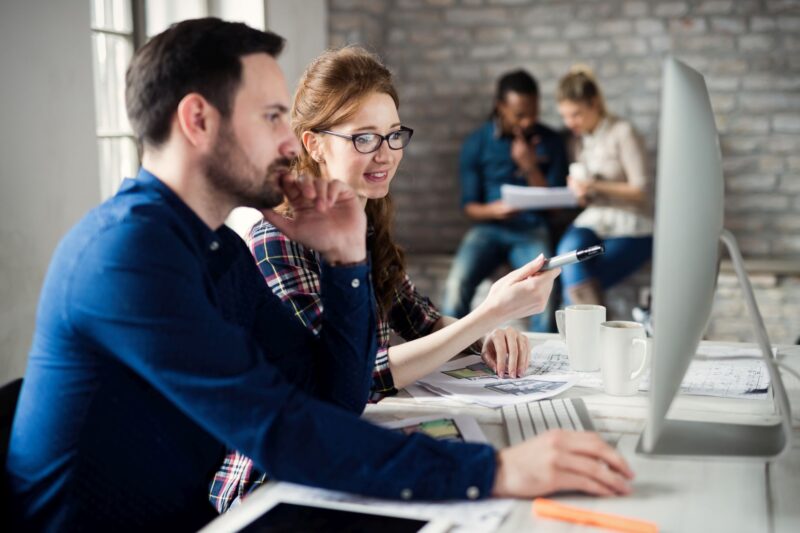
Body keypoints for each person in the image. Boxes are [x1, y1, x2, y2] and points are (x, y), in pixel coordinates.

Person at [6, 19, 632, 531]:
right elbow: (282, 427)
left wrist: (347, 261)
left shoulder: (213, 247)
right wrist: (494, 471)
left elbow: (333, 393)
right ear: (198, 120)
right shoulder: (128, 255)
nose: (290, 141)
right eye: (273, 117)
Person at [210, 47, 565, 511]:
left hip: (339, 453)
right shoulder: (276, 241)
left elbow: (420, 319)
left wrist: (489, 333)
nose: (386, 154)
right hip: (271, 482)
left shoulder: (365, 217)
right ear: (313, 145)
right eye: (364, 138)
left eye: (394, 135)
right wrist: (486, 315)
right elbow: (357, 377)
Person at [442, 69, 569, 332]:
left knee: (543, 288)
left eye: (534, 113)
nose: (529, 121)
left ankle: (542, 362)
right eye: (520, 115)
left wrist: (530, 166)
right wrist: (494, 210)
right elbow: (469, 207)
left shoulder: (551, 141)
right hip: (489, 228)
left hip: (532, 229)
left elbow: (557, 206)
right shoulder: (477, 143)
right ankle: (448, 352)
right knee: (456, 284)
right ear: (500, 107)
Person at [555, 66, 654, 305]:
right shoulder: (580, 141)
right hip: (595, 221)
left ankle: (579, 336)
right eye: (565, 116)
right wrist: (580, 193)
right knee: (568, 253)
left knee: (577, 276)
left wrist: (595, 186)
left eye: (576, 114)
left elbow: (641, 190)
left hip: (632, 224)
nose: (570, 123)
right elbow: (589, 196)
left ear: (595, 103)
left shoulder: (623, 132)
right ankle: (591, 334)